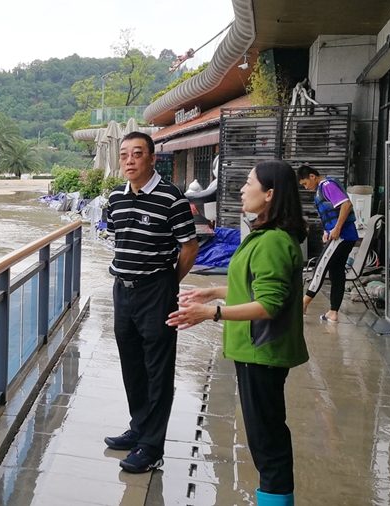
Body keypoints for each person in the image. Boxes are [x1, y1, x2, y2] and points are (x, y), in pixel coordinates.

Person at [167, 160, 309, 506]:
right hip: (255, 351)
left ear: (270, 193)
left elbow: (269, 305)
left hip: (263, 351)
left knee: (267, 440)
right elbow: (252, 288)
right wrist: (214, 291)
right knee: (264, 436)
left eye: (249, 183)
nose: (242, 190)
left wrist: (211, 313)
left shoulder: (274, 241)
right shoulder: (266, 235)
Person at [103, 131, 199, 473]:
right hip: (122, 290)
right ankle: (139, 427)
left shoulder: (171, 198)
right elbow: (117, 236)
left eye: (137, 154)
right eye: (125, 155)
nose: (130, 161)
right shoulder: (115, 197)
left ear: (152, 158)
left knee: (158, 369)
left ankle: (151, 446)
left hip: (156, 289)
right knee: (132, 363)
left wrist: (168, 284)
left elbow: (189, 247)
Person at [297, 165, 358, 322]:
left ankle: (303, 304)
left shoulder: (327, 185)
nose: (306, 187)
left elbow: (345, 205)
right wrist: (327, 230)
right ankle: (333, 312)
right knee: (337, 272)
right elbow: (331, 213)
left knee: (320, 267)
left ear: (312, 176)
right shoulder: (322, 189)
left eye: (305, 183)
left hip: (342, 236)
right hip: (346, 236)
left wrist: (337, 228)